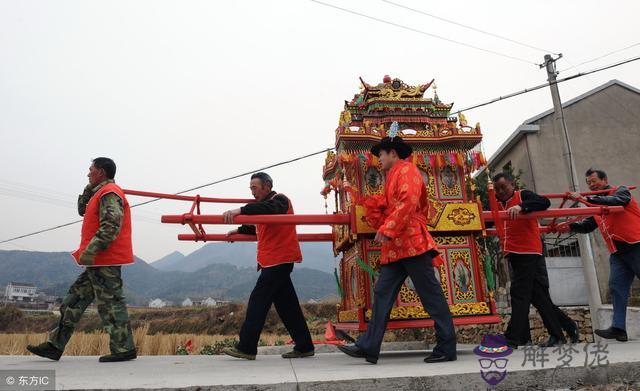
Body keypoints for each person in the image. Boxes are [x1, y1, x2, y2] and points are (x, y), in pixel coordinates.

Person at [337, 133, 456, 364]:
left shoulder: (408, 170)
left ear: (392, 153)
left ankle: (446, 347)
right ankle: (369, 346)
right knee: (382, 293)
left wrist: (388, 227)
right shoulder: (393, 174)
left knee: (431, 297)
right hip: (395, 249)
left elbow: (408, 202)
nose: (378, 159)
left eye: (380, 154)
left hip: (413, 244)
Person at [27, 157, 137, 362]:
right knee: (73, 301)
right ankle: (54, 345)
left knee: (111, 304)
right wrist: (87, 191)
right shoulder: (99, 193)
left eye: (91, 170)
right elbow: (81, 210)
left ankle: (124, 349)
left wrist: (91, 250)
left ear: (101, 172)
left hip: (105, 260)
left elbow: (111, 226)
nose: (88, 173)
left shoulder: (110, 193)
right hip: (97, 261)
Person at [222, 172, 314, 360]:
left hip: (279, 260)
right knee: (288, 306)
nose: (253, 192)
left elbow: (271, 210)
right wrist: (239, 230)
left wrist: (240, 210)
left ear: (267, 186)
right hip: (272, 261)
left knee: (258, 300)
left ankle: (247, 347)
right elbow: (257, 225)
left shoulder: (280, 200)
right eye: (251, 189)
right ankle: (305, 345)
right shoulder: (262, 208)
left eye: (255, 188)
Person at [493, 172, 577, 348]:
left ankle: (514, 338)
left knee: (518, 293)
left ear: (512, 185)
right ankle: (563, 330)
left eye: (503, 187)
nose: (500, 191)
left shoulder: (522, 195)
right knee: (538, 297)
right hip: (514, 252)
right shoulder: (497, 203)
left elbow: (544, 202)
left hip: (528, 251)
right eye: (497, 188)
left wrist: (522, 207)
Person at [558, 168, 640, 342]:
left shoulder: (620, 191)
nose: (591, 185)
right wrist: (570, 226)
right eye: (588, 183)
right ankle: (618, 328)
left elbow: (617, 201)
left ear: (604, 180)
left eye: (594, 181)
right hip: (618, 252)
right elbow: (588, 225)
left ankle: (618, 328)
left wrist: (586, 199)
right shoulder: (596, 207)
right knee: (616, 286)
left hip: (636, 244)